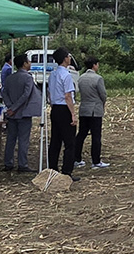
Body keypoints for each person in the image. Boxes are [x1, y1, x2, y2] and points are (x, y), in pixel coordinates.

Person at [1, 54, 40, 173]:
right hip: (23, 112)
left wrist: (10, 107)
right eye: (29, 61)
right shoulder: (28, 78)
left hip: (12, 114)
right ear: (24, 63)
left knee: (11, 139)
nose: (30, 63)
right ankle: (22, 164)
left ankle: (8, 163)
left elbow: (4, 93)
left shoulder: (10, 78)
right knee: (23, 140)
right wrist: (15, 108)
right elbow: (26, 95)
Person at [47, 47, 79, 181]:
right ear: (65, 58)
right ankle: (67, 171)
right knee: (70, 142)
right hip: (64, 109)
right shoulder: (66, 75)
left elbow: (49, 93)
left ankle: (53, 169)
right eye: (69, 56)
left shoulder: (53, 74)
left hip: (55, 108)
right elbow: (68, 96)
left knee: (55, 140)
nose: (70, 58)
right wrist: (73, 114)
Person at [75, 56, 109, 169]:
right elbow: (103, 94)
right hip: (95, 110)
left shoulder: (81, 78)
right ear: (94, 65)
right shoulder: (98, 78)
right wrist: (102, 103)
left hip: (84, 109)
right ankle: (96, 161)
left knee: (81, 134)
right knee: (96, 136)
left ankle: (76, 158)